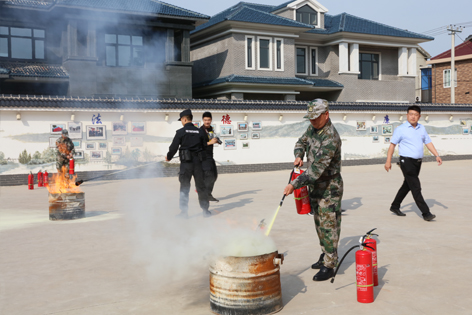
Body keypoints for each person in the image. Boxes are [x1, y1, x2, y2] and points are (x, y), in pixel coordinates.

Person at [283, 99, 343, 282]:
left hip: (329, 187)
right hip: (314, 186)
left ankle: (330, 264)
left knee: (329, 225)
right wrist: (299, 155)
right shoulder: (313, 129)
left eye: (316, 118)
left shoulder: (330, 137)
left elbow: (316, 170)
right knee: (318, 223)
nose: (312, 122)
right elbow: (300, 142)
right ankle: (325, 254)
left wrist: (294, 184)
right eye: (310, 118)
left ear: (326, 114)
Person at [384, 105, 442, 221]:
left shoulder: (421, 128)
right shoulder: (401, 129)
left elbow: (428, 142)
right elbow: (392, 145)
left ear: (419, 116)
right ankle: (426, 213)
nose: (413, 117)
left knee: (407, 185)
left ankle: (395, 206)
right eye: (411, 114)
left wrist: (436, 155)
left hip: (418, 162)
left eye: (415, 115)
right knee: (416, 187)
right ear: (407, 115)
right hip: (406, 161)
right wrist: (388, 161)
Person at [166, 109, 211, 218]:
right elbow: (205, 147)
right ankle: (205, 211)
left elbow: (174, 147)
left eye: (181, 120)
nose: (181, 122)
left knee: (184, 188)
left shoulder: (180, 132)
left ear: (184, 119)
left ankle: (184, 213)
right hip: (198, 164)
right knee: (201, 187)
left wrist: (169, 157)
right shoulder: (200, 131)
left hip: (186, 164)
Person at [200, 112, 220, 202]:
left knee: (214, 175)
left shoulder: (211, 129)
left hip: (210, 156)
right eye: (205, 120)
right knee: (209, 175)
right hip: (204, 157)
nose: (207, 122)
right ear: (203, 120)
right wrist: (210, 143)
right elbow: (198, 144)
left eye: (208, 120)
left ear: (211, 120)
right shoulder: (200, 131)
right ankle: (205, 194)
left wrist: (217, 141)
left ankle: (207, 193)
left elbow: (213, 138)